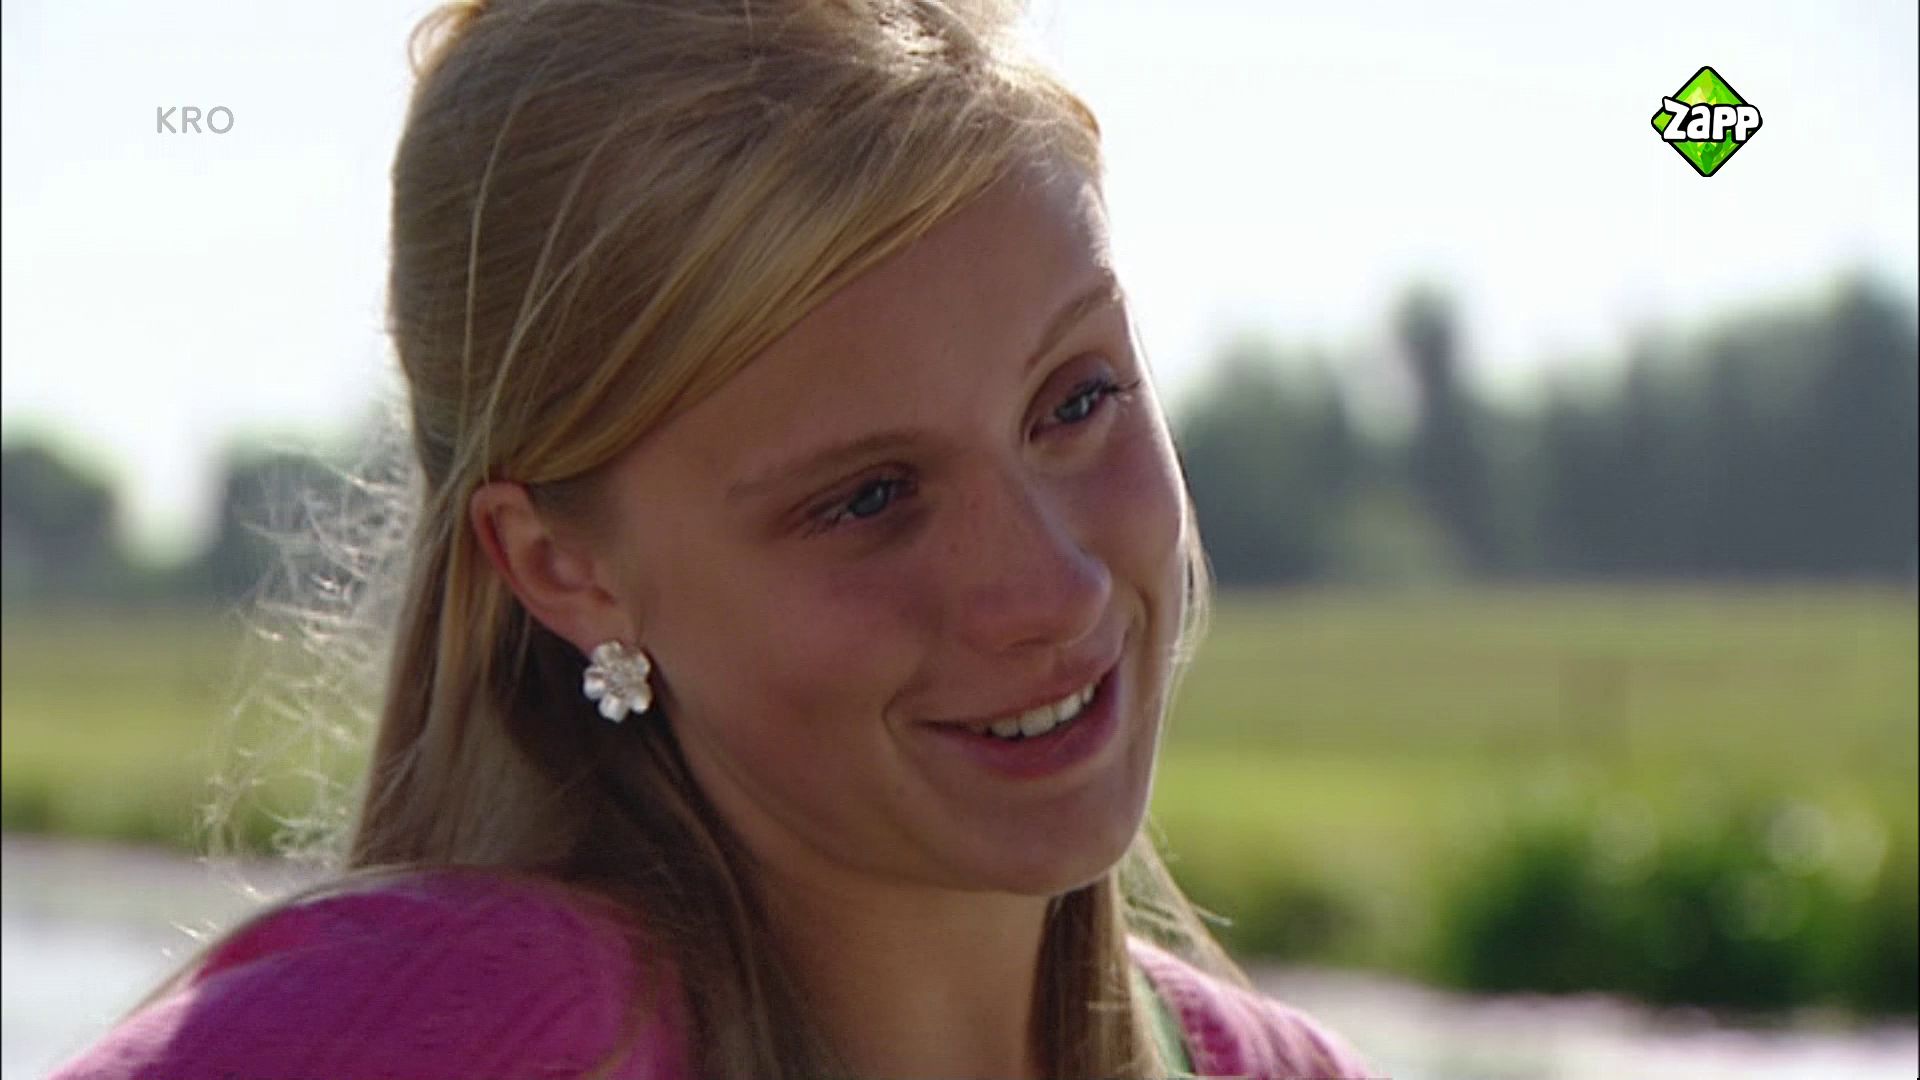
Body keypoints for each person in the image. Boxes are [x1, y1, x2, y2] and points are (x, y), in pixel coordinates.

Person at [55, 1, 1372, 1077]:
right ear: (564, 569)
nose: (1053, 590)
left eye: (1076, 402)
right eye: (868, 499)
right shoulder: (444, 1038)